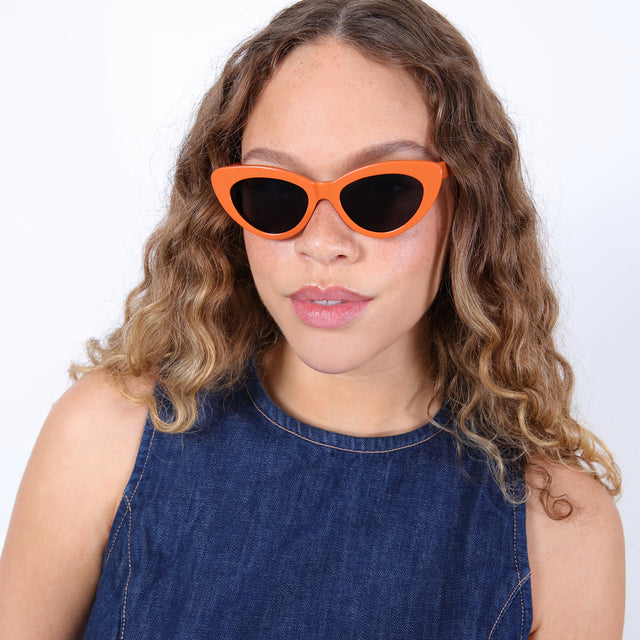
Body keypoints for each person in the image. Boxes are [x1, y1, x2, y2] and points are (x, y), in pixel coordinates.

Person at [0, 0, 625, 637]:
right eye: (274, 194)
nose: (322, 243)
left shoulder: (560, 532)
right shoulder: (106, 437)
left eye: (383, 190)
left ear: (469, 206)